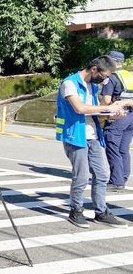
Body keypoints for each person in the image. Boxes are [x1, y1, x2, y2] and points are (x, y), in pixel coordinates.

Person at [56, 55, 127, 229]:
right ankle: (76, 210)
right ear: (94, 69)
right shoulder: (70, 84)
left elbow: (94, 112)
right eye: (104, 76)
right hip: (75, 135)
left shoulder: (92, 87)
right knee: (80, 176)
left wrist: (112, 113)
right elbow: (80, 109)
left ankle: (101, 212)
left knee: (102, 174)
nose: (106, 80)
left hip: (94, 135)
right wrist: (107, 107)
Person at [100, 51, 133, 192]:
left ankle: (116, 181)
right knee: (123, 149)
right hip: (131, 117)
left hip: (117, 116)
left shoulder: (112, 78)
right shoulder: (129, 75)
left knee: (112, 147)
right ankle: (123, 177)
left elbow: (107, 101)